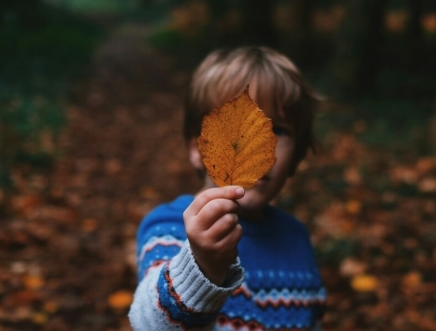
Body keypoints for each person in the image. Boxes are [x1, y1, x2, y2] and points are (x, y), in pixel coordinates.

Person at [129, 46, 325, 330]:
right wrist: (202, 265)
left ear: (296, 158)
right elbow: (149, 324)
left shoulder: (296, 237)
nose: (257, 145)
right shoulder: (170, 228)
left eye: (278, 130)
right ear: (198, 147)